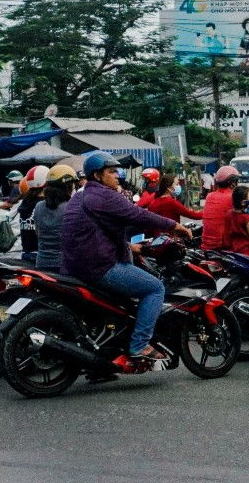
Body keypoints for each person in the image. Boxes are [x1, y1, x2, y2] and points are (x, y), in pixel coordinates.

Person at [59, 151, 179, 367]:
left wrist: (129, 247)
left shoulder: (80, 195)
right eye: (112, 172)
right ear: (97, 175)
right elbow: (138, 215)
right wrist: (174, 226)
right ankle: (140, 344)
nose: (118, 176)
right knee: (155, 288)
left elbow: (94, 234)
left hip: (75, 266)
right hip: (99, 267)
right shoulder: (105, 195)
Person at [27, 165, 76, 272]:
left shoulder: (39, 206)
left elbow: (37, 232)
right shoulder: (72, 207)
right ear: (68, 186)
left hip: (42, 263)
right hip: (65, 266)